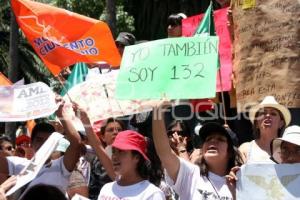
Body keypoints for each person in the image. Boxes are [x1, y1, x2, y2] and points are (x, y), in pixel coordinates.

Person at [152, 103, 243, 199]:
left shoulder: (241, 182)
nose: (212, 142)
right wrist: (158, 111)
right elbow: (164, 153)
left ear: (230, 152)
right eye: (208, 139)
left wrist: (236, 193)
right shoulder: (191, 175)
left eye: (220, 139)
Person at [0, 98, 81, 197]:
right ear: (31, 143)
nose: (44, 144)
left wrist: (60, 114)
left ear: (55, 144)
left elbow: (76, 143)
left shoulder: (62, 166)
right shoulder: (20, 165)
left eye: (48, 140)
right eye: (39, 140)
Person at [98, 130, 165, 200]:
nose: (114, 156)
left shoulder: (152, 194)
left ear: (137, 157)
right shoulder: (106, 189)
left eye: (121, 151)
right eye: (113, 151)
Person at [239, 96, 291, 163]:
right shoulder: (245, 149)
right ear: (256, 123)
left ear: (281, 123)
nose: (268, 115)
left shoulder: (291, 151)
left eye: (273, 113)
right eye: (263, 113)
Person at [88, 117, 126, 200]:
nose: (115, 132)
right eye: (110, 130)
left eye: (119, 130)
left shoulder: (131, 156)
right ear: (103, 137)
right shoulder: (97, 161)